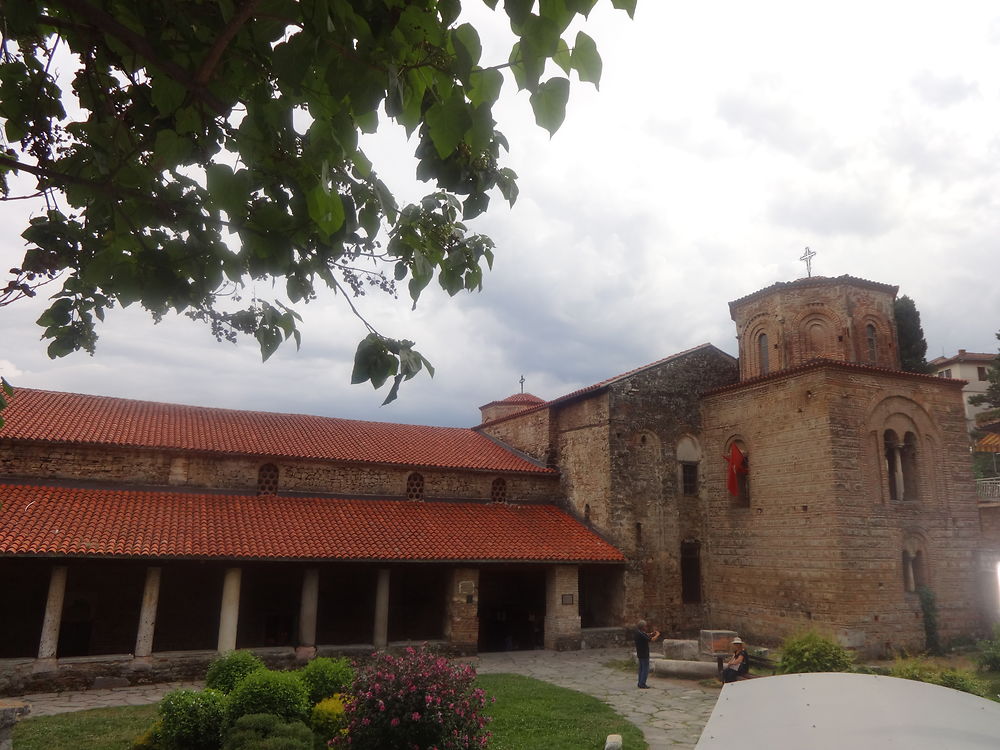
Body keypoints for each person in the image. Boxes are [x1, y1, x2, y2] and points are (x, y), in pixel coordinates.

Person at [633, 619, 660, 688]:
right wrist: (657, 635)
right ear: (643, 627)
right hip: (644, 653)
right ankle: (642, 684)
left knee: (641, 668)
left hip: (640, 653)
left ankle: (640, 683)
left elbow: (646, 635)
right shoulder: (641, 634)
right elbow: (651, 640)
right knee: (645, 669)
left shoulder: (637, 632)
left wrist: (651, 634)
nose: (646, 627)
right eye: (645, 626)